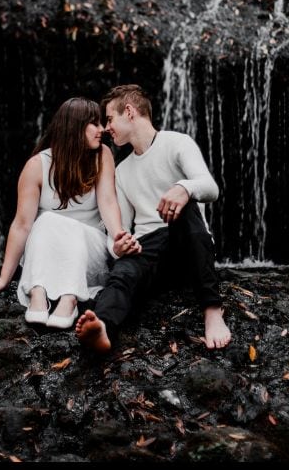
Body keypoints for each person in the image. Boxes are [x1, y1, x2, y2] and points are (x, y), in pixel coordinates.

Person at [76, 84, 232, 352]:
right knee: (122, 270)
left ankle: (212, 310)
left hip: (188, 247)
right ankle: (102, 327)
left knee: (185, 209)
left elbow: (210, 188)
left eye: (110, 119)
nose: (107, 128)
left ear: (129, 111)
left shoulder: (177, 143)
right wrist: (119, 246)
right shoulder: (122, 171)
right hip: (150, 253)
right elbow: (122, 229)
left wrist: (184, 188)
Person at [0, 97, 139, 329]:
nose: (102, 129)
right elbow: (22, 225)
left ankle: (69, 299)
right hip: (46, 252)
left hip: (88, 251)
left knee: (59, 223)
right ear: (74, 127)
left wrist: (119, 237)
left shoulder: (102, 155)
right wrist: (4, 278)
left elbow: (109, 202)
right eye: (94, 123)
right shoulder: (36, 166)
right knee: (46, 221)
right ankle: (38, 293)